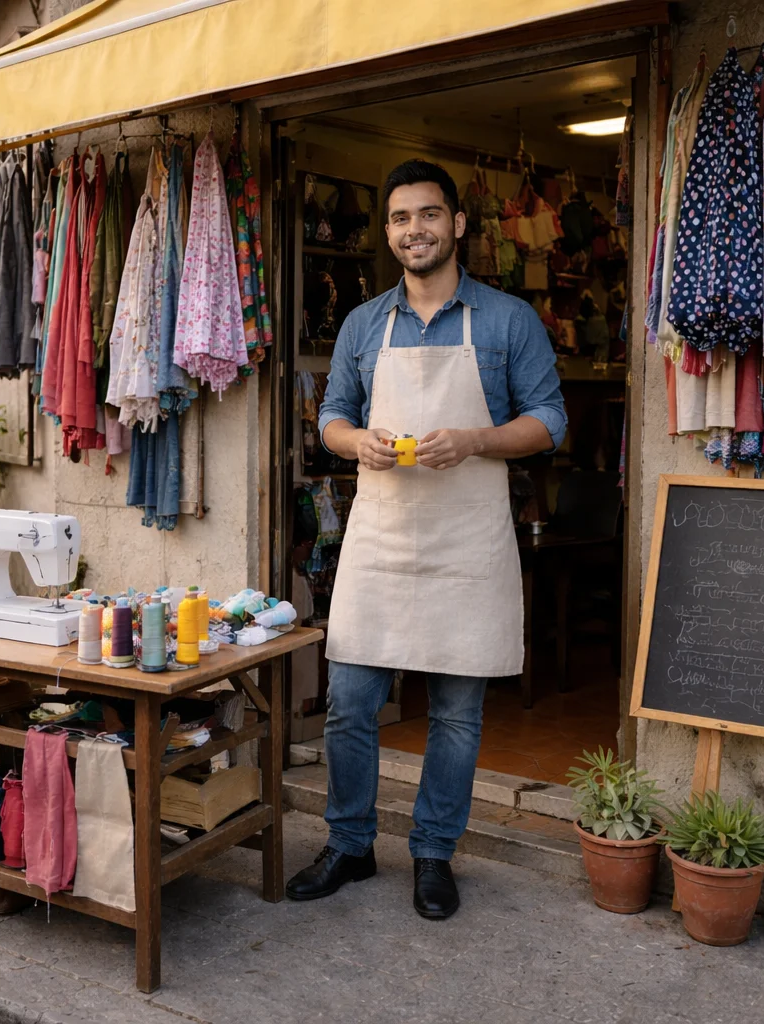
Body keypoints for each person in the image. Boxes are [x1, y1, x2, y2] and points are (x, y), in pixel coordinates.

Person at [286, 160, 566, 920]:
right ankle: (349, 844)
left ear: (458, 224)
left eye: (430, 214)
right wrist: (357, 444)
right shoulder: (363, 323)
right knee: (349, 704)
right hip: (381, 538)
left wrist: (475, 440)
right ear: (388, 233)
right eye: (402, 218)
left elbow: (549, 420)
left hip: (467, 543)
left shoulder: (508, 320)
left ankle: (434, 852)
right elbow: (332, 417)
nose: (417, 230)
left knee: (455, 715)